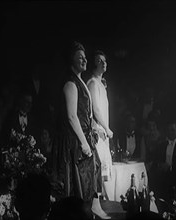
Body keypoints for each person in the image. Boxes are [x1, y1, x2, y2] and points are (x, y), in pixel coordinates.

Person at [51, 41, 110, 219]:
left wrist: (93, 129)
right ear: (71, 60)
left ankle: (93, 207)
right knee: (75, 184)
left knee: (92, 173)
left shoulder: (80, 81)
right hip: (73, 141)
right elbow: (71, 116)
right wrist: (84, 143)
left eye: (85, 57)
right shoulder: (70, 83)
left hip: (84, 137)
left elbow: (86, 113)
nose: (84, 60)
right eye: (80, 58)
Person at [87, 50, 113, 201]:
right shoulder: (92, 83)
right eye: (99, 61)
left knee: (104, 174)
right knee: (98, 171)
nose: (103, 63)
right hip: (98, 132)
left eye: (104, 60)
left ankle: (104, 202)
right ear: (93, 64)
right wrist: (106, 129)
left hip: (103, 134)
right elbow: (95, 109)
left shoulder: (101, 84)